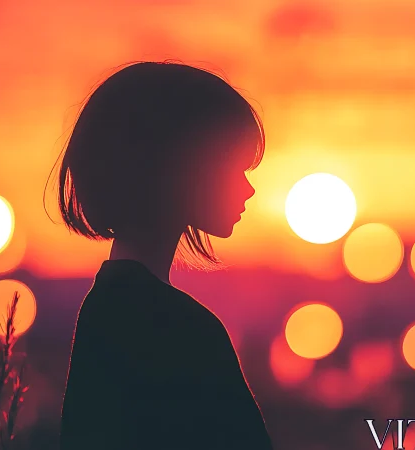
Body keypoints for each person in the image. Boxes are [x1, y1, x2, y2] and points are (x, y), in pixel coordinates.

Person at [51, 61, 274, 449]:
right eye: (233, 167)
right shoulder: (175, 326)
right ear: (179, 168)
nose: (248, 190)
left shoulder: (107, 310)